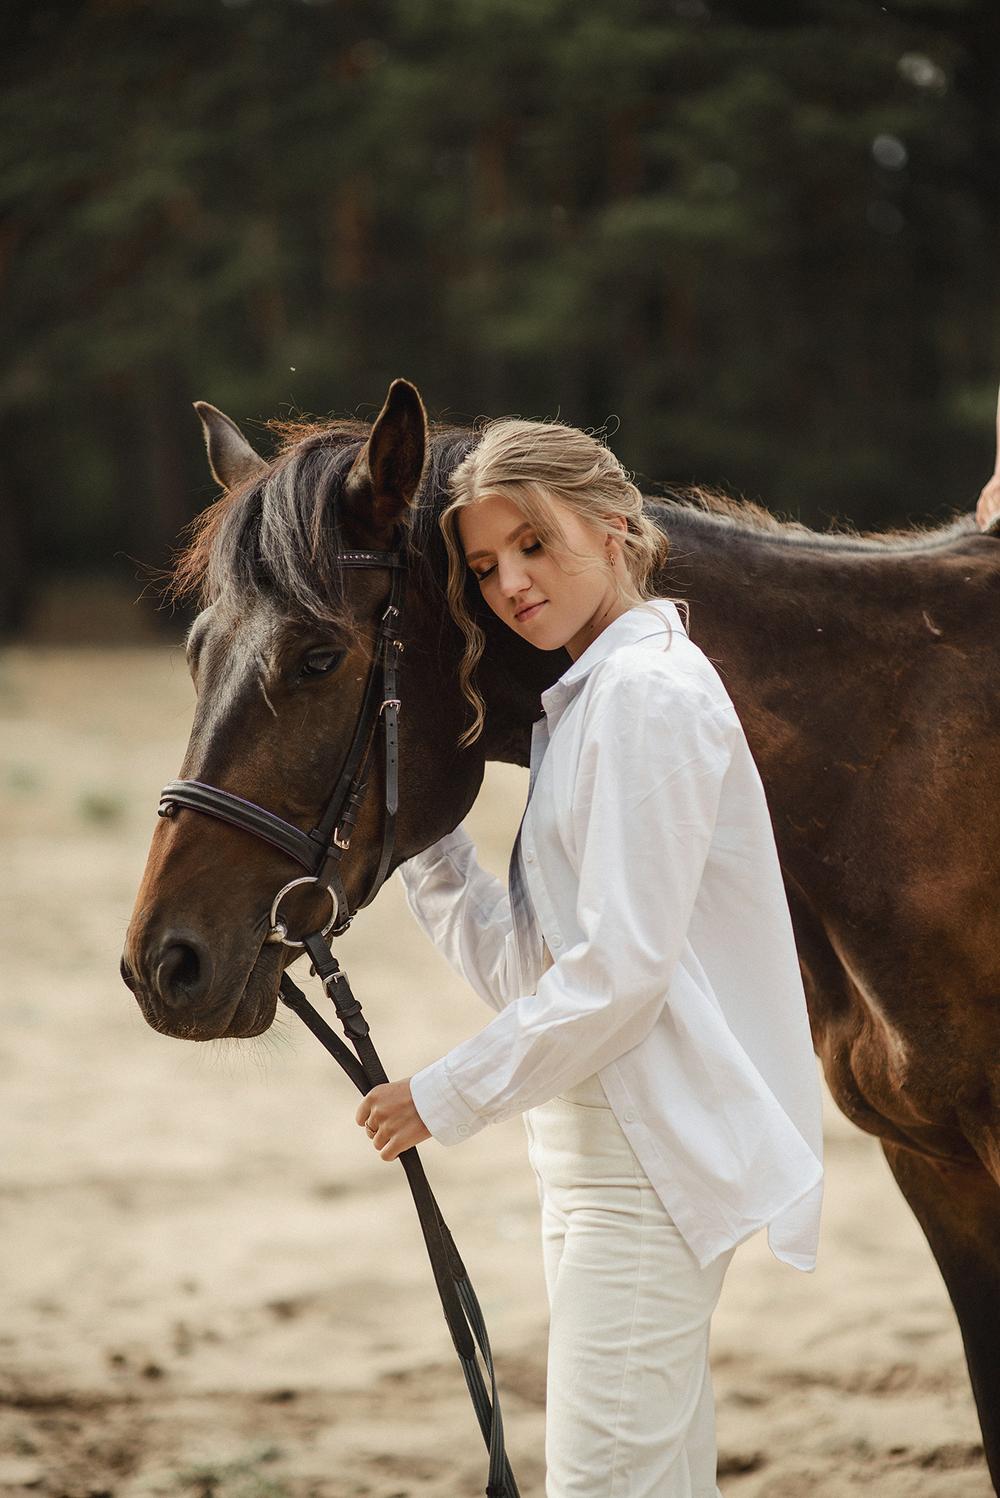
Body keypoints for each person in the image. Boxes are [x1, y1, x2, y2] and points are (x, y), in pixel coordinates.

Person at [355, 418, 825, 1498]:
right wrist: (416, 832)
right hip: (585, 1147)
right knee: (648, 1475)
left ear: (613, 528)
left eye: (532, 543)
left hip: (646, 1158)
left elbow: (620, 970)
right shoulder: (586, 704)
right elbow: (532, 967)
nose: (510, 582)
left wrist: (443, 1091)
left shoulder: (648, 695)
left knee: (603, 1481)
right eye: (484, 566)